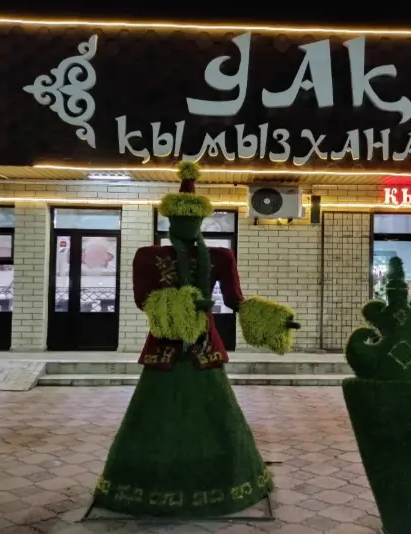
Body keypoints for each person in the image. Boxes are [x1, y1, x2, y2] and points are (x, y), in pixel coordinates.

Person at [88, 161, 300, 519]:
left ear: (201, 220)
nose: (186, 225)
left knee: (218, 418)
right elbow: (144, 301)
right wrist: (186, 304)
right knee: (154, 418)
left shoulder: (220, 257)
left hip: (205, 350)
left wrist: (274, 319)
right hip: (165, 350)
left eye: (193, 219)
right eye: (180, 219)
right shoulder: (149, 256)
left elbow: (236, 301)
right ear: (170, 220)